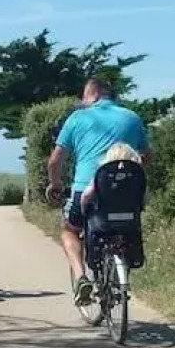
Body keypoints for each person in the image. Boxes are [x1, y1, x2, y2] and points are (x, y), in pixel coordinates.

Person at [46, 77, 152, 304]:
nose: (83, 102)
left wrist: (55, 184)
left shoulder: (78, 118)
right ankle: (117, 272)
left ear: (94, 94)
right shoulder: (132, 117)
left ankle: (80, 277)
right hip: (127, 193)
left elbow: (55, 161)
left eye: (84, 97)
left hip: (86, 188)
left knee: (69, 230)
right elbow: (148, 156)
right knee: (123, 228)